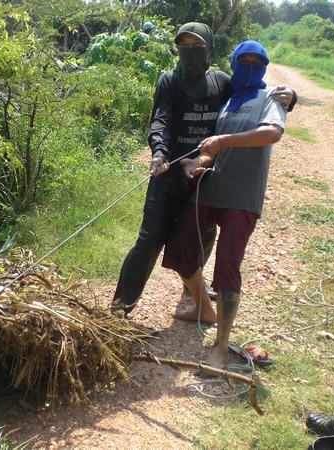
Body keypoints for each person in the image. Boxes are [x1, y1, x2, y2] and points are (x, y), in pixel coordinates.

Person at [111, 23, 296, 318]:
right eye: (184, 46)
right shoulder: (169, 81)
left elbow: (253, 92)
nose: (190, 53)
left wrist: (291, 97)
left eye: (196, 46)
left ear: (208, 48)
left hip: (203, 177)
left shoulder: (220, 82)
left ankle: (194, 296)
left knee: (198, 239)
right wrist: (159, 152)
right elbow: (160, 120)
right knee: (148, 242)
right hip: (168, 175)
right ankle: (120, 310)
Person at [162, 40, 285, 369]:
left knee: (227, 268)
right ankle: (203, 306)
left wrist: (223, 141)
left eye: (256, 62)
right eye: (243, 61)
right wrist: (195, 162)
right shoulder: (227, 101)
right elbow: (211, 149)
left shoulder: (270, 97)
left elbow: (272, 134)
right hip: (211, 189)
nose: (249, 67)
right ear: (232, 63)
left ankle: (221, 345)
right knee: (178, 247)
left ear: (264, 66)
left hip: (242, 197)